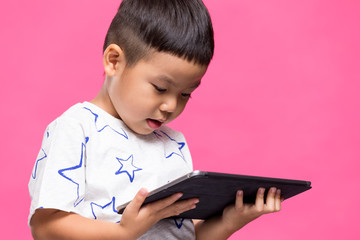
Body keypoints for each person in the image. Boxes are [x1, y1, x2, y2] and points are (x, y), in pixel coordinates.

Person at [28, 0, 282, 239]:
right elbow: (44, 226)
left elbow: (181, 233)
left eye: (186, 94)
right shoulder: (77, 128)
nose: (171, 105)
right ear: (114, 61)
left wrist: (229, 221)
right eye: (160, 88)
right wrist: (124, 233)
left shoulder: (172, 143)